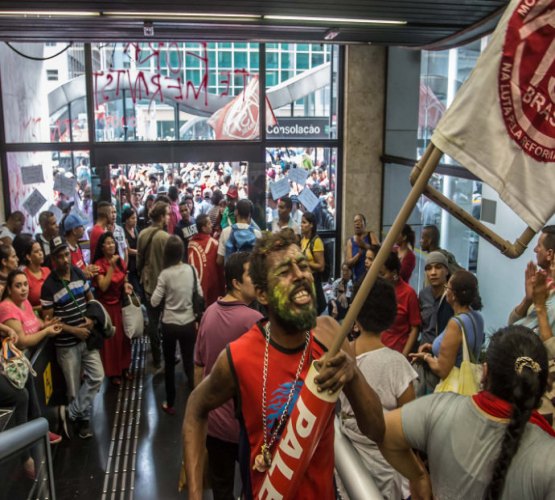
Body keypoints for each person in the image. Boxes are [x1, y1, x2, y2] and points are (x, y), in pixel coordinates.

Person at [184, 230, 385, 499]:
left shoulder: (329, 335)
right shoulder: (239, 357)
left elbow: (376, 429)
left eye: (303, 266)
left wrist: (354, 375)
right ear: (263, 295)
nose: (300, 275)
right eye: (284, 272)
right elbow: (195, 409)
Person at [379, 325, 555, 499]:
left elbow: (384, 432)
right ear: (540, 386)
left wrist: (418, 476)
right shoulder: (548, 457)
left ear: (485, 372)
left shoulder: (440, 409)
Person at [339, 277, 417, 499]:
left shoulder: (342, 356)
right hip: (389, 465)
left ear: (356, 316)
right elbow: (409, 425)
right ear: (390, 317)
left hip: (348, 463)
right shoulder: (397, 364)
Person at [193, 252, 263, 499]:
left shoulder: (209, 313)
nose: (257, 279)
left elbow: (199, 367)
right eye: (250, 274)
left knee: (221, 489)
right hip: (245, 427)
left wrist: (200, 413)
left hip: (213, 426)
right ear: (235, 282)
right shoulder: (255, 320)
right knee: (252, 486)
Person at [41, 236, 102, 440]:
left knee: (97, 376)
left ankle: (70, 413)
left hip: (87, 338)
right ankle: (82, 423)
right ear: (52, 260)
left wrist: (91, 319)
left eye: (66, 254)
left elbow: (90, 299)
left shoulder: (77, 273)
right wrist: (73, 330)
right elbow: (50, 321)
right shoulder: (48, 286)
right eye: (59, 257)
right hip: (67, 345)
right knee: (73, 388)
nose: (64, 259)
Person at [151, 236, 203, 413]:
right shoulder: (191, 270)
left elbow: (153, 301)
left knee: (170, 365)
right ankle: (195, 398)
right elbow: (200, 294)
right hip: (189, 322)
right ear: (181, 252)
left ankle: (170, 402)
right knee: (190, 361)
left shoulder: (165, 275)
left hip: (170, 325)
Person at [411, 270, 484, 384]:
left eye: (447, 288)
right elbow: (460, 347)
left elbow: (442, 370)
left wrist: (425, 357)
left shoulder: (455, 323)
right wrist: (433, 347)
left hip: (454, 387)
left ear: (454, 295)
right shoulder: (477, 317)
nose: (445, 290)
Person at [92, 232, 133, 386]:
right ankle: (113, 373)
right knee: (111, 342)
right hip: (107, 308)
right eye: (107, 243)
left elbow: (124, 276)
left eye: (112, 243)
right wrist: (111, 267)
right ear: (102, 247)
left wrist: (127, 284)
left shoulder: (119, 260)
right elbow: (103, 286)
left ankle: (124, 367)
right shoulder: (99, 264)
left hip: (120, 305)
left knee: (124, 339)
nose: (111, 246)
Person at [137, 201, 170, 369]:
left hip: (149, 284)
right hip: (165, 286)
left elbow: (138, 261)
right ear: (162, 217)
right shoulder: (166, 238)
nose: (169, 218)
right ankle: (169, 354)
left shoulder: (142, 234)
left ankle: (157, 357)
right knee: (167, 321)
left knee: (152, 321)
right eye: (167, 214)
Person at [509, 225, 555, 334]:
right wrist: (528, 299)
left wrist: (539, 305)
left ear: (550, 254)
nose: (535, 250)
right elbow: (511, 325)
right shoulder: (540, 283)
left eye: (539, 246)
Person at [380, 252, 421, 356]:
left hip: (398, 352)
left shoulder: (409, 293)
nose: (379, 277)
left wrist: (404, 355)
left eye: (383, 274)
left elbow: (415, 328)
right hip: (379, 350)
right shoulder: (380, 290)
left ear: (394, 273)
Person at [188, 214, 224, 307]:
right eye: (208, 223)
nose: (211, 225)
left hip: (193, 288)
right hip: (212, 287)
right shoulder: (214, 244)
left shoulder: (191, 243)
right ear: (203, 228)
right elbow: (219, 267)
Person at [217, 198, 261, 266]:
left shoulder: (226, 232)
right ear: (250, 215)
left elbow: (219, 260)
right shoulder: (257, 233)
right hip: (250, 274)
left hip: (231, 275)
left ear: (236, 212)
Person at [14, 235, 51, 310]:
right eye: (36, 252)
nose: (41, 253)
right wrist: (42, 307)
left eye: (41, 250)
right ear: (28, 257)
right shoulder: (24, 276)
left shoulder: (47, 270)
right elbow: (22, 306)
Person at [300, 212, 327, 314]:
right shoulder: (303, 240)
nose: (301, 225)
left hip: (314, 281)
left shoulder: (316, 241)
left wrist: (305, 261)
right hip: (306, 281)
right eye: (301, 222)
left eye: (304, 222)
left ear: (311, 225)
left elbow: (321, 266)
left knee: (315, 311)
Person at [345, 213, 380, 283]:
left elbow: (379, 251)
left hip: (372, 278)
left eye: (359, 221)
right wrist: (358, 255)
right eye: (355, 222)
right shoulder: (350, 241)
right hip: (357, 280)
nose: (357, 223)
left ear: (365, 224)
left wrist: (365, 245)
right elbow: (348, 263)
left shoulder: (371, 235)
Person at [63, 213, 99, 280]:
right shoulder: (65, 252)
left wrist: (88, 268)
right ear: (74, 231)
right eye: (81, 226)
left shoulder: (77, 246)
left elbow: (81, 267)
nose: (84, 229)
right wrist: (83, 273)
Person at [122, 207, 143, 300]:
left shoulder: (135, 229)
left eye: (136, 218)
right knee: (137, 291)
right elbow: (128, 250)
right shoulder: (123, 231)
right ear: (126, 219)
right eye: (132, 218)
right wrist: (140, 253)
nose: (135, 220)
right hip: (129, 266)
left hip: (138, 265)